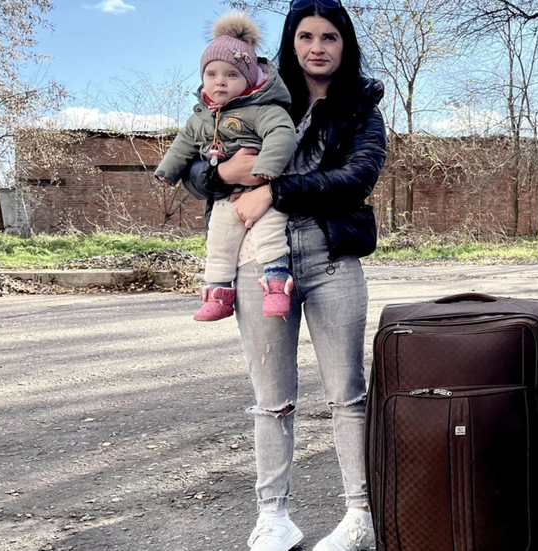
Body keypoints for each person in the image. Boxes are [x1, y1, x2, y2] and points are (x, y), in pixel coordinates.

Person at [181, 0, 386, 549]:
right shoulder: (257, 94)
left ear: (345, 45)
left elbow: (356, 176)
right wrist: (223, 171)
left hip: (329, 256)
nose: (317, 46)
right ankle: (273, 515)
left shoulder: (361, 107)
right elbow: (195, 168)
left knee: (347, 391)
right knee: (272, 396)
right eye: (305, 36)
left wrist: (275, 188)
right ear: (290, 44)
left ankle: (360, 515)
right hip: (256, 259)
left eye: (329, 37)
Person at [156, 11, 297, 322]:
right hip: (223, 195)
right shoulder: (201, 117)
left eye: (231, 75)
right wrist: (168, 171)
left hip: (262, 187)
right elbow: (184, 144)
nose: (220, 81)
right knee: (218, 241)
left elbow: (282, 134)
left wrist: (265, 168)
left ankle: (276, 286)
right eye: (212, 74)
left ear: (248, 79)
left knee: (270, 234)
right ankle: (219, 293)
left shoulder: (262, 109)